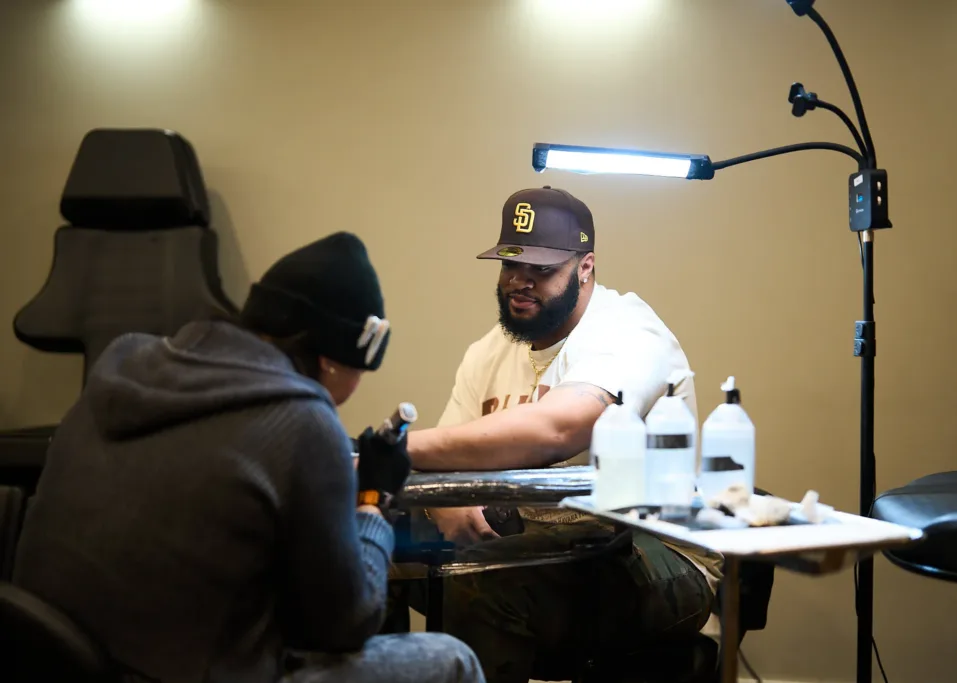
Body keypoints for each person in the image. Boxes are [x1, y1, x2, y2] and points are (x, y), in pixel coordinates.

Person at [13, 232, 484, 683]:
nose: (354, 389)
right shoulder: (302, 419)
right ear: (330, 359)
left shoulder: (121, 365)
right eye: (360, 371)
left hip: (46, 658)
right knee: (452, 660)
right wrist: (372, 500)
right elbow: (347, 624)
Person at [406, 187, 724, 683]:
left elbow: (560, 427)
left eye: (541, 269)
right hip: (531, 538)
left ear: (585, 267)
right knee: (368, 547)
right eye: (511, 265)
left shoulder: (630, 332)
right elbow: (448, 455)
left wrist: (398, 448)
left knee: (486, 579)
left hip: (657, 552)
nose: (521, 282)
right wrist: (445, 502)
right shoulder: (488, 351)